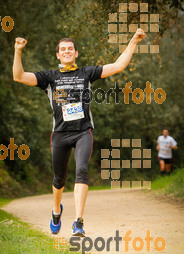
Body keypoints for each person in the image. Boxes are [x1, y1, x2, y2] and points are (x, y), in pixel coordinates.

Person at [13, 28, 146, 237]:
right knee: (59, 179)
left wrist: (133, 42)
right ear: (58, 54)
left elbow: (119, 65)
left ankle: (78, 222)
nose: (66, 51)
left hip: (84, 131)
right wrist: (18, 50)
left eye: (70, 49)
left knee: (82, 171)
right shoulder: (49, 77)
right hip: (59, 134)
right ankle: (56, 211)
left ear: (76, 53)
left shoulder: (87, 73)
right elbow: (18, 76)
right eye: (62, 49)